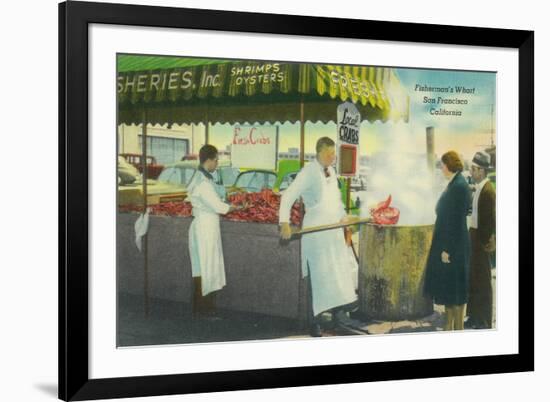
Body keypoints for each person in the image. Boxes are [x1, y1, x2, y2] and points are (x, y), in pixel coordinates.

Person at [279, 137, 358, 337]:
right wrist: (284, 223)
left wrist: (344, 217)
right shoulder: (308, 172)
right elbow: (288, 195)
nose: (333, 157)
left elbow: (336, 200)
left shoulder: (331, 172)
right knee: (318, 276)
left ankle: (337, 318)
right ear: (320, 152)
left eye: (334, 154)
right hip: (316, 231)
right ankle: (314, 322)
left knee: (336, 274)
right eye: (330, 153)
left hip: (332, 231)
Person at [187, 145, 242, 317]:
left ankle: (201, 307)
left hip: (205, 225)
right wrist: (235, 207)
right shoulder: (202, 182)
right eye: (216, 160)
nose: (217, 163)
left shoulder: (202, 177)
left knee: (202, 268)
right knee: (206, 268)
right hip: (205, 228)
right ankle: (205, 310)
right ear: (209, 160)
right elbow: (218, 206)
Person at [424, 151, 472, 331]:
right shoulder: (455, 183)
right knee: (452, 290)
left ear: (449, 165)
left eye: (442, 165)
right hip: (454, 245)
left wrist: (447, 250)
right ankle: (449, 326)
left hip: (454, 248)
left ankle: (455, 329)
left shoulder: (458, 186)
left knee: (455, 291)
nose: (441, 168)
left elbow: (457, 223)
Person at [466, 151, 496, 329]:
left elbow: (491, 220)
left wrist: (489, 241)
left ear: (482, 171)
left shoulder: (488, 191)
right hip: (475, 237)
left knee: (483, 282)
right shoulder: (478, 187)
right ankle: (474, 316)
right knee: (474, 280)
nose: (471, 171)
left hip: (481, 241)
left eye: (474, 169)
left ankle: (484, 320)